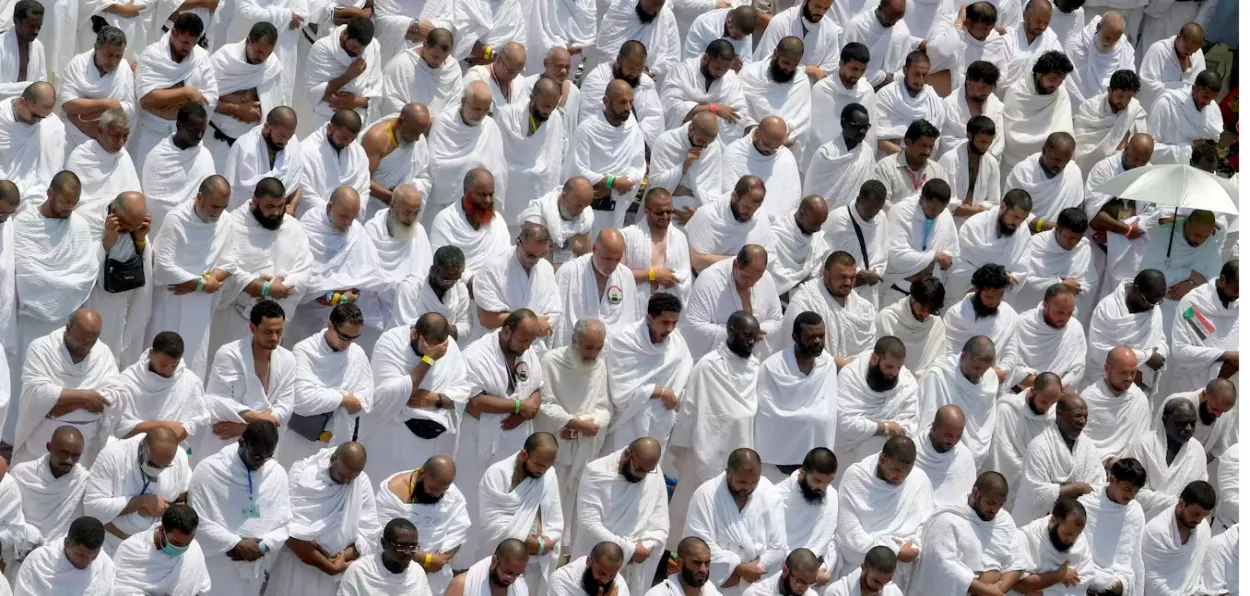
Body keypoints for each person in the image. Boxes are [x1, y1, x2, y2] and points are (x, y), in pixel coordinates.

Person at [669, 312, 763, 525]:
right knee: (689, 515)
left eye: (754, 337)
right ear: (730, 332)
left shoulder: (756, 367)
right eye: (747, 335)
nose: (751, 341)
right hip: (703, 449)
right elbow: (690, 409)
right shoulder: (707, 365)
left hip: (743, 445)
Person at [456, 311, 546, 525]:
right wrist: (517, 406)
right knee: (475, 500)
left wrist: (524, 413)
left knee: (509, 500)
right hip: (480, 439)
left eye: (530, 341)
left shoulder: (528, 351)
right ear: (507, 331)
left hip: (516, 439)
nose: (526, 347)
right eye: (523, 340)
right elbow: (474, 402)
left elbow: (537, 389)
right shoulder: (475, 355)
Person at [209, 177, 314, 352]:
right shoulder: (232, 225)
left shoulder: (293, 227)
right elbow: (224, 268)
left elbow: (305, 269)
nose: (276, 212)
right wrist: (263, 288)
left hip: (273, 318)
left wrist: (282, 285)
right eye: (270, 207)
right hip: (235, 316)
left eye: (280, 206)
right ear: (256, 201)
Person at [188, 420, 291, 595]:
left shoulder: (276, 473)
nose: (262, 463)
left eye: (268, 457)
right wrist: (234, 544)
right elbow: (197, 521)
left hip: (255, 569)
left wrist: (263, 546)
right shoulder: (209, 470)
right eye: (257, 456)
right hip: (218, 568)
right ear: (241, 443)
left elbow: (284, 523)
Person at [360, 312, 465, 482]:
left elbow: (462, 392)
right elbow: (387, 394)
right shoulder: (390, 342)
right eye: (431, 347)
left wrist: (436, 399)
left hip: (434, 440)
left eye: (440, 347)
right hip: (393, 433)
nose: (437, 351)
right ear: (415, 334)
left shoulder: (448, 346)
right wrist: (428, 360)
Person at [147, 176, 233, 378]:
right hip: (171, 300)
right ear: (199, 197)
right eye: (214, 206)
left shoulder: (225, 220)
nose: (218, 212)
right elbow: (162, 266)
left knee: (194, 361)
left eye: (223, 207)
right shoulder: (176, 218)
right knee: (163, 358)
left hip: (201, 305)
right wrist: (201, 283)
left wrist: (200, 284)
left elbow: (232, 261)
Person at [267, 442, 379, 596]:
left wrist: (337, 561)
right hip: (297, 570)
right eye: (343, 475)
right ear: (333, 459)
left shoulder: (361, 482)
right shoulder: (301, 473)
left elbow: (368, 534)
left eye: (352, 478)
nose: (347, 482)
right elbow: (287, 527)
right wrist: (325, 564)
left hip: (337, 576)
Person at [11, 309, 117, 467]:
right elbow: (37, 391)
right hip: (44, 438)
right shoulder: (41, 347)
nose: (86, 347)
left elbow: (112, 395)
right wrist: (85, 398)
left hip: (85, 443)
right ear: (68, 328)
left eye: (91, 341)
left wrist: (62, 404)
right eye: (81, 340)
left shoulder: (103, 352)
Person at [536, 319, 611, 529]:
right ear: (574, 342)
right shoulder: (551, 361)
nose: (593, 353)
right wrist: (571, 423)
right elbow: (544, 403)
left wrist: (588, 426)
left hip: (584, 445)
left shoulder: (600, 365)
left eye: (599, 348)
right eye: (589, 347)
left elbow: (605, 407)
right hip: (556, 446)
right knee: (550, 499)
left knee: (577, 503)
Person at [200, 300, 297, 461]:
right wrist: (256, 418)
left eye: (279, 332)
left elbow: (285, 406)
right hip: (224, 441)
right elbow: (216, 400)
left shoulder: (288, 359)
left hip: (264, 443)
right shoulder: (229, 354)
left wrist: (245, 428)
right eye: (268, 332)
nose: (274, 338)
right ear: (253, 328)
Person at [279, 303, 373, 467]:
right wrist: (343, 399)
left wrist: (326, 394)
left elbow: (366, 398)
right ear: (330, 326)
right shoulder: (304, 350)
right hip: (302, 442)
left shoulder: (357, 353)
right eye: (344, 337)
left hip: (338, 444)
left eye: (354, 337)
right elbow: (302, 399)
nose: (348, 343)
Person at [682, 448, 787, 596]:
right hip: (717, 582)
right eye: (742, 481)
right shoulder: (705, 494)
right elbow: (697, 543)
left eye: (754, 481)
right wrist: (738, 569)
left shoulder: (769, 492)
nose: (748, 487)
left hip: (757, 580)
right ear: (728, 473)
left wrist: (754, 570)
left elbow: (778, 545)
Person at [835, 436, 934, 590]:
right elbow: (849, 532)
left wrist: (915, 547)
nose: (900, 477)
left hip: (898, 574)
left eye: (906, 472)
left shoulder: (919, 479)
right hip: (861, 568)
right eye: (896, 470)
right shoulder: (856, 476)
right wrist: (894, 550)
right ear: (882, 460)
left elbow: (925, 525)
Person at [571, 438, 668, 595]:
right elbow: (589, 525)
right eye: (638, 469)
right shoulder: (596, 472)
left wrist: (645, 548)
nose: (642, 476)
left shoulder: (654, 473)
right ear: (627, 454)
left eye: (647, 471)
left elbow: (661, 524)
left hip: (634, 566)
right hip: (597, 564)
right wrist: (630, 549)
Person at [470, 432, 563, 593]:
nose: (543, 471)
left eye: (547, 466)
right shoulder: (498, 474)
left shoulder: (548, 475)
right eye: (539, 465)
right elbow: (494, 526)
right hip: (502, 565)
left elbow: (555, 518)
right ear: (524, 454)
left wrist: (545, 543)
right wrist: (538, 545)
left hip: (535, 564)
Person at [907, 471, 1024, 595]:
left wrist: (996, 591)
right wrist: (984, 590)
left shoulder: (1004, 520)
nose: (994, 510)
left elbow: (1017, 561)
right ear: (975, 493)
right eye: (990, 503)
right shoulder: (948, 519)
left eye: (1000, 505)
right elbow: (943, 564)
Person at [291, 187, 383, 344]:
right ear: (329, 207)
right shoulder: (309, 227)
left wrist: (347, 296)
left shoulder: (356, 231)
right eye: (343, 216)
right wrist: (338, 299)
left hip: (343, 319)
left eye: (352, 218)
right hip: (308, 317)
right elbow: (307, 282)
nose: (347, 223)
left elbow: (368, 272)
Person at [602, 292, 693, 451]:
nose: (670, 328)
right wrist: (660, 391)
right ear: (650, 319)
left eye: (674, 322)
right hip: (628, 421)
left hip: (661, 422)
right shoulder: (625, 340)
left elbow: (685, 374)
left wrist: (674, 396)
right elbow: (621, 392)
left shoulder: (677, 342)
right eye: (664, 322)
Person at [82, 427, 192, 554]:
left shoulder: (179, 458)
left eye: (164, 466)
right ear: (141, 447)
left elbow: (185, 500)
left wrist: (163, 509)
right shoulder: (113, 456)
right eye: (152, 465)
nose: (158, 470)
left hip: (155, 548)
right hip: (112, 543)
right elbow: (92, 509)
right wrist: (140, 502)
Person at [132, 14, 217, 173]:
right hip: (152, 135)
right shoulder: (152, 55)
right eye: (185, 42)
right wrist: (187, 93)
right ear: (174, 33)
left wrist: (164, 104)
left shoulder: (201, 58)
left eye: (193, 43)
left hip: (188, 138)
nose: (188, 48)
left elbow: (209, 98)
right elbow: (146, 100)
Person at [755, 316, 839, 477]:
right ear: (795, 338)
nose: (817, 341)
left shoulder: (827, 364)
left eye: (821, 336)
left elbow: (830, 407)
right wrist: (805, 416)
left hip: (816, 460)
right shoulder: (773, 366)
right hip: (778, 463)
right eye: (811, 337)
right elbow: (766, 413)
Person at [374, 457, 470, 594]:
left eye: (442, 490)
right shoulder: (393, 490)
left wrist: (441, 560)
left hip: (436, 573)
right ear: (421, 475)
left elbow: (459, 530)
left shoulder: (451, 493)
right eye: (432, 489)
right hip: (397, 571)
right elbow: (384, 535)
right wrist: (426, 560)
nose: (437, 494)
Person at [566, 79, 648, 233]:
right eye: (623, 102)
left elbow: (638, 166)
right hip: (588, 209)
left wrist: (626, 181)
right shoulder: (587, 129)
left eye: (631, 102)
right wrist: (613, 183)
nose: (628, 108)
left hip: (616, 209)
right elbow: (577, 170)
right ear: (606, 101)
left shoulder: (633, 129)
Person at [105, 331, 208, 453]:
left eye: (174, 366)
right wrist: (164, 426)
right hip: (134, 453)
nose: (168, 371)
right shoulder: (128, 381)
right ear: (151, 354)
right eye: (163, 364)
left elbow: (201, 419)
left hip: (175, 453)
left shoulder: (190, 381)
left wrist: (185, 429)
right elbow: (119, 427)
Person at [1082, 134, 1155, 302]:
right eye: (1135, 158)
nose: (1138, 165)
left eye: (1143, 161)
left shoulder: (1150, 173)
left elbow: (1151, 216)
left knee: (1115, 299)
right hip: (1096, 245)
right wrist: (1127, 230)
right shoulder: (1104, 169)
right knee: (1089, 297)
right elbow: (1094, 216)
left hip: (1128, 249)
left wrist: (1115, 235)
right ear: (1126, 148)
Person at [359, 184, 433, 349]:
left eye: (416, 212)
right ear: (393, 205)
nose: (412, 219)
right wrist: (394, 287)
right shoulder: (372, 231)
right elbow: (366, 277)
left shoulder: (418, 231)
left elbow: (426, 274)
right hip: (375, 316)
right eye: (407, 212)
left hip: (411, 312)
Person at [1013, 393, 1104, 526]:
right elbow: (1036, 492)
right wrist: (1077, 488)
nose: (1083, 421)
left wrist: (1078, 493)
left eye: (1086, 416)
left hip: (1076, 521)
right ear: (1059, 415)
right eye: (1078, 416)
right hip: (1039, 523)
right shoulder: (1039, 446)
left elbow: (1098, 483)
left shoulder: (1087, 445)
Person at [424, 83, 507, 225]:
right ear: (463, 102)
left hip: (480, 205)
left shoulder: (490, 126)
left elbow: (499, 169)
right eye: (476, 108)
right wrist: (473, 163)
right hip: (444, 206)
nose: (480, 114)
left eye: (485, 110)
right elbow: (436, 165)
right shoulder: (444, 122)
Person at [205, 22, 284, 170]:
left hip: (250, 147)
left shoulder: (272, 66)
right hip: (216, 142)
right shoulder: (224, 60)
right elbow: (203, 98)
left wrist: (249, 98)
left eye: (268, 53)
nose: (262, 58)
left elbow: (272, 104)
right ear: (248, 41)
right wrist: (236, 109)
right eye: (259, 51)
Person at [472, 222, 562, 350]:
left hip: (534, 348)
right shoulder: (493, 267)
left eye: (542, 255)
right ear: (518, 243)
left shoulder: (546, 268)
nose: (535, 261)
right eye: (530, 255)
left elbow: (554, 312)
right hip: (500, 346)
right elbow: (486, 317)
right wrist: (533, 323)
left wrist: (536, 327)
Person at [833, 336, 919, 468]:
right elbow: (845, 424)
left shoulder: (906, 383)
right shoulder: (850, 376)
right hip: (847, 455)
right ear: (874, 358)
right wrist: (884, 428)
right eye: (888, 366)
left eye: (898, 367)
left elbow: (910, 425)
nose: (893, 372)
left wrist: (869, 428)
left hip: (887, 458)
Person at [1140, 210, 1222, 340]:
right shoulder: (1164, 233)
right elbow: (1149, 274)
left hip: (1191, 304)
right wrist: (1189, 274)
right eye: (1197, 235)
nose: (1200, 241)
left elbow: (1214, 280)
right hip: (1159, 302)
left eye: (1205, 237)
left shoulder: (1209, 242)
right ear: (1187, 224)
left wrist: (1191, 284)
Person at [1161, 261, 1240, 397]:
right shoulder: (1193, 304)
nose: (1239, 295)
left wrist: (1234, 365)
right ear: (1222, 280)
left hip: (1228, 390)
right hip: (1191, 387)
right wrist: (1226, 356)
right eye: (1237, 289)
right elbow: (1181, 351)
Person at [497, 80, 567, 230]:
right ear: (532, 97)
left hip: (538, 191)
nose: (548, 111)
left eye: (553, 106)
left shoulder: (555, 117)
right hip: (510, 192)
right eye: (546, 105)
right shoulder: (507, 115)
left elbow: (554, 160)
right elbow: (497, 155)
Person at [783, 252, 875, 365]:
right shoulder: (805, 301)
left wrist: (853, 368)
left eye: (852, 277)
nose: (848, 282)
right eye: (842, 277)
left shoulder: (864, 307)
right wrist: (839, 365)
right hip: (817, 376)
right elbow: (798, 349)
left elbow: (870, 349)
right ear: (826, 275)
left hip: (855, 375)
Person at [943, 190, 1033, 307]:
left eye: (1022, 219)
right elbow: (959, 263)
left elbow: (1022, 267)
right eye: (1015, 216)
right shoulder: (975, 224)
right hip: (966, 290)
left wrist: (1009, 278)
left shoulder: (1023, 231)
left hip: (1000, 296)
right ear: (1003, 206)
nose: (1017, 223)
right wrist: (992, 278)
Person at [918, 337, 999, 465]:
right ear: (963, 356)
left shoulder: (990, 379)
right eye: (975, 368)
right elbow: (927, 420)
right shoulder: (939, 375)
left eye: (984, 370)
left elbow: (986, 423)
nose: (978, 375)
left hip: (973, 457)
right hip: (938, 452)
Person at [985, 372, 1061, 508]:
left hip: (1035, 484)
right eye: (1043, 401)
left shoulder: (1052, 417)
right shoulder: (1007, 409)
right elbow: (1002, 451)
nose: (1046, 408)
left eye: (1051, 403)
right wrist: (1032, 473)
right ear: (1032, 390)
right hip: (1009, 480)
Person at [1122, 399, 1207, 520]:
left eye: (1192, 423)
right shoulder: (1143, 445)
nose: (1188, 428)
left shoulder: (1197, 450)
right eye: (1182, 423)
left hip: (1179, 523)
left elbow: (1199, 493)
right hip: (1139, 518)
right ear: (1165, 420)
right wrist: (1176, 504)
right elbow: (1131, 490)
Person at [1083, 269, 1168, 389]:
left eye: (1156, 303)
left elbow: (1159, 338)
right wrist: (1146, 357)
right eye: (1148, 301)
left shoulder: (1153, 308)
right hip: (1104, 384)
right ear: (1135, 289)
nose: (1151, 307)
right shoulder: (1107, 309)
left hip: (1139, 387)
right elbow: (1100, 351)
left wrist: (1160, 354)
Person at [142, 100, 214, 239]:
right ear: (179, 125)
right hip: (166, 232)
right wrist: (180, 217)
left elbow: (210, 196)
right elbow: (155, 202)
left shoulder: (205, 156)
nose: (199, 136)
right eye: (193, 130)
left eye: (202, 131)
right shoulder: (157, 157)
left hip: (198, 231)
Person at [552, 231, 638, 347]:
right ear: (594, 249)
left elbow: (631, 319)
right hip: (575, 350)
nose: (612, 266)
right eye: (607, 259)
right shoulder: (569, 272)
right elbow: (557, 320)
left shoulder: (625, 275)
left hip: (613, 353)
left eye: (617, 259)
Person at [298, 17, 381, 136]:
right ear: (345, 34)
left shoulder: (373, 47)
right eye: (354, 46)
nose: (358, 52)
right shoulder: (322, 48)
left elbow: (376, 87)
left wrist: (357, 101)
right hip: (325, 120)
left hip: (357, 121)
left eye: (361, 49)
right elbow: (313, 92)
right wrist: (348, 76)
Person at [881, 180, 958, 305]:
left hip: (928, 294)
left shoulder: (945, 215)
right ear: (922, 198)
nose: (935, 213)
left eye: (941, 209)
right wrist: (935, 256)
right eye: (932, 208)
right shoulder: (900, 212)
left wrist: (932, 264)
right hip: (898, 291)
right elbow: (895, 256)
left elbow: (952, 255)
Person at [63, 109, 141, 232]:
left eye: (125, 136)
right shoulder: (81, 156)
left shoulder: (123, 155)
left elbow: (135, 194)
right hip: (91, 220)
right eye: (115, 136)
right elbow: (73, 201)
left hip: (123, 220)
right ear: (100, 131)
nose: (121, 142)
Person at [59, 26, 134, 154]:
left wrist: (89, 111)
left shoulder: (124, 68)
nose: (114, 61)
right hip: (74, 135)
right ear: (96, 48)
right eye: (109, 55)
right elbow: (67, 104)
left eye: (118, 56)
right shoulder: (77, 64)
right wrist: (106, 104)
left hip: (110, 141)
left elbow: (130, 108)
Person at [1077, 458, 1146, 596]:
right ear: (1113, 480)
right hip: (1085, 574)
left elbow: (1134, 558)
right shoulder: (1086, 505)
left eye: (1135, 491)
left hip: (1118, 581)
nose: (1131, 496)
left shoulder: (1135, 511)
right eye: (1127, 489)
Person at [427, 169, 510, 283]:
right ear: (466, 192)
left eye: (491, 194)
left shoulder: (498, 221)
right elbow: (441, 263)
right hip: (457, 291)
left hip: (495, 288)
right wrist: (472, 282)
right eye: (482, 194)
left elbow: (506, 260)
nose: (488, 200)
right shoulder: (445, 220)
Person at [10, 425, 88, 545]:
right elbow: (9, 515)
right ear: (49, 447)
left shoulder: (84, 481)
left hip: (59, 551)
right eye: (64, 453)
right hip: (19, 544)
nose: (69, 460)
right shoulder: (22, 473)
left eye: (75, 455)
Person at [577, 41, 665, 146]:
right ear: (619, 60)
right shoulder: (598, 79)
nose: (634, 74)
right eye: (631, 68)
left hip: (637, 145)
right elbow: (592, 118)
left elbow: (654, 117)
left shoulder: (644, 83)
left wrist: (636, 137)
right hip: (604, 144)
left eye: (639, 69)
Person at [110, 503, 211, 595]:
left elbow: (202, 587)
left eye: (187, 543)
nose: (182, 548)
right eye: (176, 543)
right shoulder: (130, 549)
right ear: (162, 530)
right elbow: (120, 589)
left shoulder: (194, 547)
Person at [1000, 50, 1074, 175]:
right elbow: (1011, 136)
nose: (1055, 85)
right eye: (1052, 79)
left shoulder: (1061, 94)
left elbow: (1064, 131)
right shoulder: (1017, 92)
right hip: (1013, 167)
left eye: (1060, 81)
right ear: (1039, 73)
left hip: (1050, 167)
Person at [941, 265, 1019, 381]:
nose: (994, 301)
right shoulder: (955, 314)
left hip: (993, 382)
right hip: (956, 378)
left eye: (1000, 296)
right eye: (989, 296)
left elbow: (1011, 350)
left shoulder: (1008, 314)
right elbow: (947, 351)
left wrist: (1002, 369)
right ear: (976, 289)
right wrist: (983, 372)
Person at [1014, 209, 1097, 318]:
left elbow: (1091, 282)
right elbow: (1024, 280)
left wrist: (1075, 287)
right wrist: (1060, 285)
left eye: (1078, 238)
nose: (1074, 242)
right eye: (1070, 237)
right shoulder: (1035, 245)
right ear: (1057, 229)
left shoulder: (1084, 247)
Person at [739, 37, 813, 159]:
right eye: (786, 63)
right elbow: (740, 110)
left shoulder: (801, 80)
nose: (789, 69)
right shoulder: (750, 74)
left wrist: (782, 139)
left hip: (786, 149)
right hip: (751, 144)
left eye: (794, 65)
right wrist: (762, 137)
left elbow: (804, 118)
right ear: (776, 53)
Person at [620, 189, 692, 311]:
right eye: (659, 213)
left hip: (667, 309)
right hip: (635, 308)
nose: (665, 216)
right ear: (646, 211)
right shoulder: (627, 236)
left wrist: (670, 279)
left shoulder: (680, 237)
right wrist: (653, 275)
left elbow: (686, 278)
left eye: (669, 212)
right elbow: (618, 274)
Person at [773, 448, 839, 582]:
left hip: (818, 574)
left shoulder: (831, 495)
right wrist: (804, 574)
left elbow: (831, 538)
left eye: (828, 481)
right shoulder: (776, 497)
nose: (823, 487)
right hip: (781, 576)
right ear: (802, 472)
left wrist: (827, 566)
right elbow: (772, 546)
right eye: (817, 481)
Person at [221, 106, 304, 211]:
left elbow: (296, 182)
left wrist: (291, 206)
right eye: (281, 136)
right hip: (245, 213)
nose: (285, 142)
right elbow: (245, 189)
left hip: (279, 214)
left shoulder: (292, 142)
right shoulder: (245, 147)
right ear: (266, 127)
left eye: (289, 137)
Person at [1080, 346, 1154, 463]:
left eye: (1133, 373)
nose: (1129, 378)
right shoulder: (1089, 398)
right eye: (1123, 372)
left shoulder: (1139, 398)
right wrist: (1108, 461)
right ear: (1107, 368)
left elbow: (1142, 441)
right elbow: (1083, 442)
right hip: (1094, 465)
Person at [807, 44, 877, 168]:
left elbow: (870, 135)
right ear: (841, 64)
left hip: (856, 161)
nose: (858, 74)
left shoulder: (867, 91)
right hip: (826, 160)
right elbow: (815, 132)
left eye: (862, 70)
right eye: (854, 69)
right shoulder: (822, 89)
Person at [719, 117, 802, 221]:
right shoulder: (734, 153)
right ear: (757, 133)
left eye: (775, 147)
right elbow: (727, 194)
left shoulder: (786, 157)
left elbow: (791, 201)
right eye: (767, 145)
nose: (770, 150)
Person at [1008, 285, 1087, 392]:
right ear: (1046, 305)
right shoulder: (1023, 324)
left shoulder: (1075, 327)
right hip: (1023, 394)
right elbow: (1012, 366)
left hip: (1059, 394)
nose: (1065, 318)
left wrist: (1059, 387)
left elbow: (1078, 367)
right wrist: (1046, 387)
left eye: (1069, 313)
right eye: (1060, 313)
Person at [686, 177, 775, 272]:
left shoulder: (760, 216)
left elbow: (770, 257)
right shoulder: (707, 215)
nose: (749, 212)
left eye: (754, 209)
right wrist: (743, 261)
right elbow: (698, 262)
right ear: (735, 196)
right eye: (745, 207)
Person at [1140, 481, 1214, 594]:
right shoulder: (1156, 532)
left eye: (1205, 515)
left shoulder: (1203, 528)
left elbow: (1200, 571)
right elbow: (1153, 581)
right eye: (1196, 514)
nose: (1199, 520)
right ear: (1182, 503)